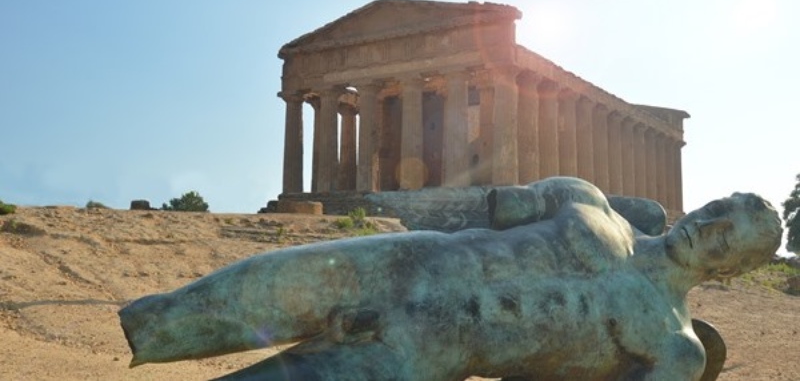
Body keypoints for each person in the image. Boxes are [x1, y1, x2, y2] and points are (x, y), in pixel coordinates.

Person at [119, 177, 782, 381]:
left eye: (728, 238)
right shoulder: (587, 199)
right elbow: (493, 206)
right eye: (717, 210)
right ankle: (150, 332)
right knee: (182, 314)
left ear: (734, 270)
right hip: (404, 262)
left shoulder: (675, 348)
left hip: (429, 352)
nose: (709, 227)